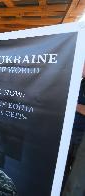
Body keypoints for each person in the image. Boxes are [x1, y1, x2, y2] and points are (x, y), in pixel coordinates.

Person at [62, 65, 85, 195]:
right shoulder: (78, 82)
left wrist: (72, 104)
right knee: (62, 169)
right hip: (67, 132)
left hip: (80, 136)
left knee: (75, 174)